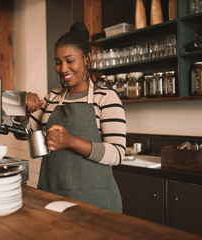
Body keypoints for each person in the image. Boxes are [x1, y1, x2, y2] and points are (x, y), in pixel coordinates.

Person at [19, 22, 126, 213]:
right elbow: (26, 133)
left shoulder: (106, 97)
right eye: (58, 62)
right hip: (53, 198)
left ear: (86, 59)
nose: (62, 69)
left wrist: (70, 141)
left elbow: (117, 154)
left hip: (96, 202)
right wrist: (23, 112)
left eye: (69, 61)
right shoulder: (52, 97)